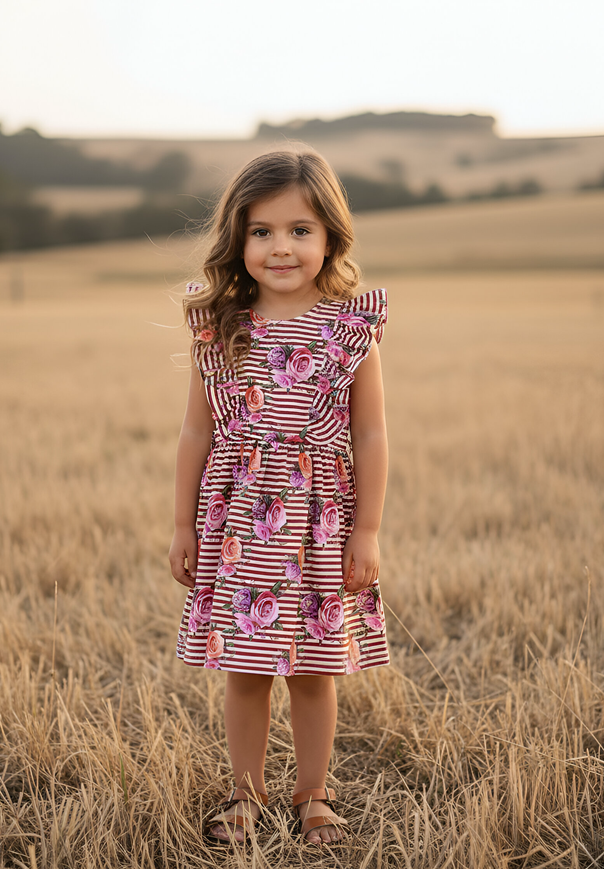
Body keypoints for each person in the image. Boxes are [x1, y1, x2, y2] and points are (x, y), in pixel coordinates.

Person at [168, 149, 389, 846]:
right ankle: (245, 792)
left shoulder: (350, 331)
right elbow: (195, 431)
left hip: (319, 521)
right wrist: (182, 525)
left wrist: (368, 531)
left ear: (330, 237)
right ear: (238, 238)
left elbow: (373, 433)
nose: (281, 246)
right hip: (238, 523)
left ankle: (313, 792)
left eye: (300, 229)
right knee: (246, 664)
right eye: (261, 231)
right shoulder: (219, 328)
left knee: (315, 668)